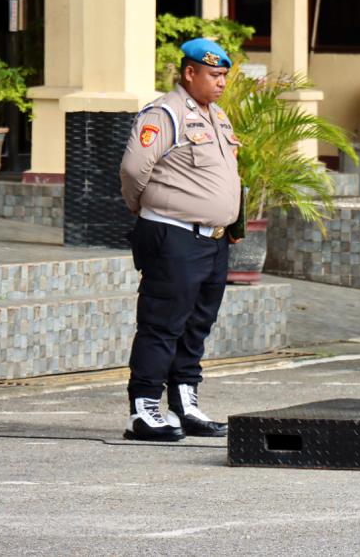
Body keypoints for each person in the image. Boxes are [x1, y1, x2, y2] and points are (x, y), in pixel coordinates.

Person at [119, 38, 241, 441]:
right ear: (190, 73)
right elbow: (135, 170)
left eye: (224, 75)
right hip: (173, 235)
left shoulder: (218, 116)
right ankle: (144, 409)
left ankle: (185, 403)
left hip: (213, 240)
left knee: (196, 325)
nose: (221, 82)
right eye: (213, 75)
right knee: (162, 323)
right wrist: (147, 210)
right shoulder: (164, 114)